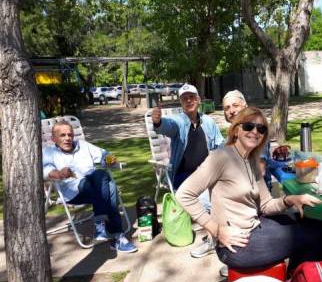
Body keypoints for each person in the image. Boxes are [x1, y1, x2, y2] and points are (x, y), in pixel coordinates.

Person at [176, 107, 322, 270]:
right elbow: (184, 194)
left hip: (254, 228)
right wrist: (216, 230)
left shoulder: (252, 160)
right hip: (236, 245)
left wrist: (290, 200)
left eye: (261, 129)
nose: (255, 132)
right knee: (317, 236)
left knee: (317, 224)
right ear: (236, 130)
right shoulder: (221, 157)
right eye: (248, 126)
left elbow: (266, 205)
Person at [151, 83, 224, 258]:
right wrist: (158, 122)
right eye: (184, 98)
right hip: (185, 177)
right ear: (181, 103)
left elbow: (220, 145)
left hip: (208, 174)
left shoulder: (209, 122)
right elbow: (167, 126)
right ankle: (215, 239)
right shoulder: (178, 121)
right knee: (210, 201)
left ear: (198, 100)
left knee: (227, 192)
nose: (189, 100)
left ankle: (219, 235)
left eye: (192, 97)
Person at [43, 121, 137, 253]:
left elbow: (104, 155)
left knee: (104, 179)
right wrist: (59, 173)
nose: (67, 138)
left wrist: (110, 160)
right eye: (62, 135)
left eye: (70, 135)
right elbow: (46, 171)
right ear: (54, 138)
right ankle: (116, 235)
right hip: (74, 192)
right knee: (107, 183)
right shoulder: (48, 152)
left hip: (96, 188)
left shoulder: (83, 146)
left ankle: (104, 229)